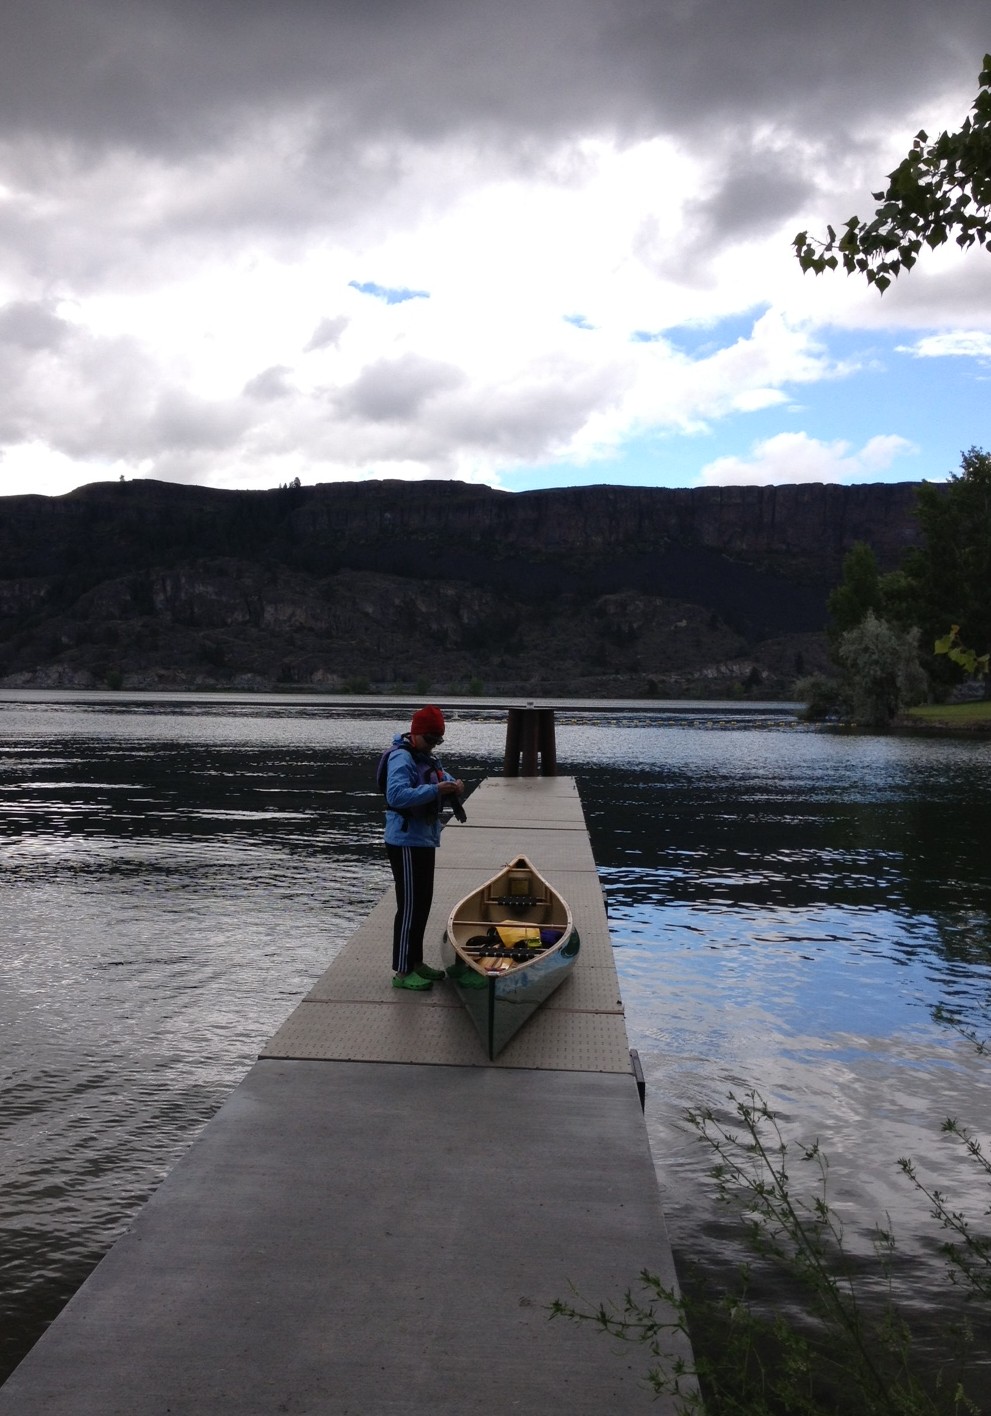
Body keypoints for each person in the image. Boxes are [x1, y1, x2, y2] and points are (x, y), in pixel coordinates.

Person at [383, 705, 464, 991]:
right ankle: (403, 972)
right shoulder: (401, 759)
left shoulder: (424, 756)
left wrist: (452, 784)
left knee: (423, 903)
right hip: (404, 841)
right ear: (415, 733)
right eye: (430, 738)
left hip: (423, 839)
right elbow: (396, 794)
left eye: (437, 740)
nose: (433, 745)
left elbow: (437, 779)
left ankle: (416, 962)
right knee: (409, 907)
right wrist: (436, 791)